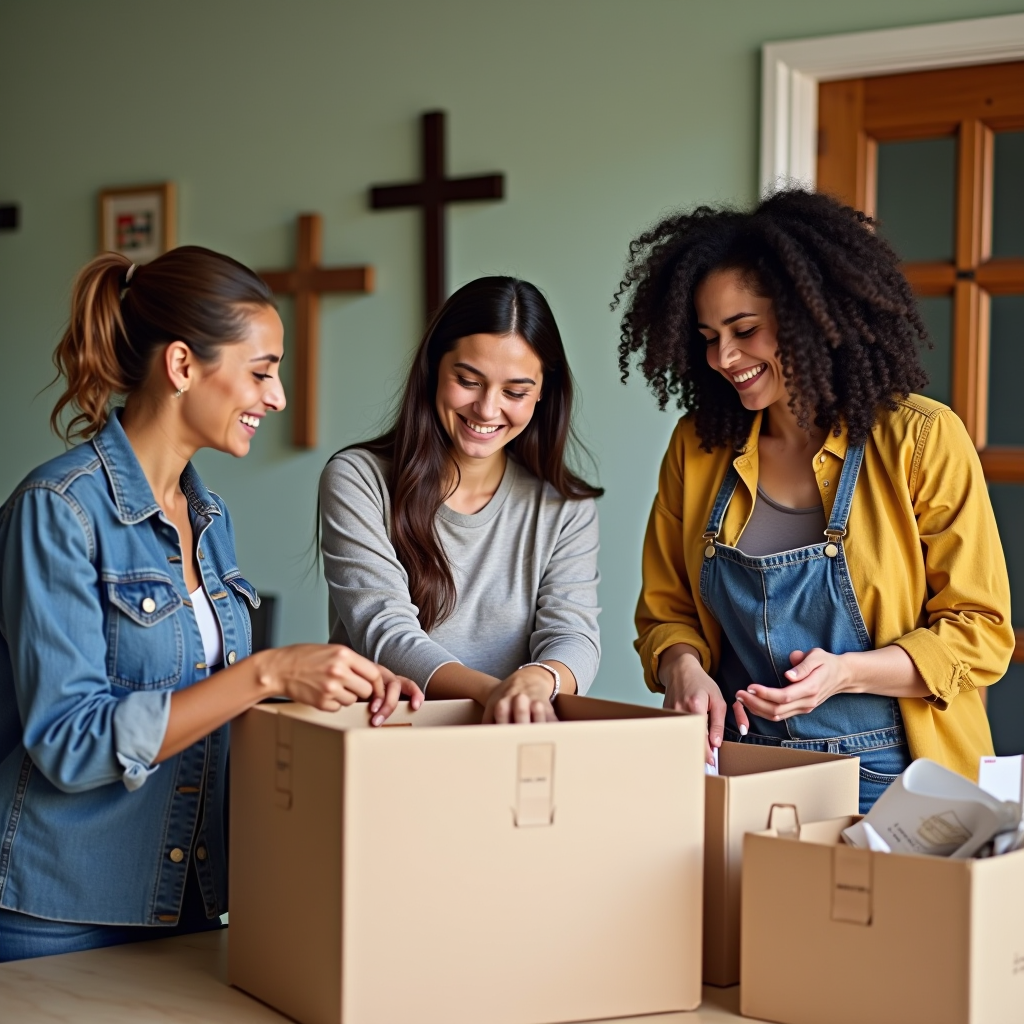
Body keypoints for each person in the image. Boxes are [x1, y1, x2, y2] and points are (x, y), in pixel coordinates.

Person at [0, 247, 421, 962]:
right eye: (261, 372)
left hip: (190, 898)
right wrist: (269, 672)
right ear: (183, 366)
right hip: (61, 912)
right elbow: (70, 741)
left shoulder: (210, 516)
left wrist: (335, 690)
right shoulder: (57, 510)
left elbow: (201, 702)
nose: (277, 396)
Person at [614, 190, 1013, 811]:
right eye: (708, 337)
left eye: (745, 331)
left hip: (897, 777)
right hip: (742, 768)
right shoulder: (697, 446)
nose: (724, 358)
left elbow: (980, 631)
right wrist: (683, 669)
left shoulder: (920, 438)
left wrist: (847, 673)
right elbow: (666, 613)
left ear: (809, 313)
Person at [319, 277, 602, 725]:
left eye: (515, 392)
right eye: (468, 381)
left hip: (508, 746)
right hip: (386, 742)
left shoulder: (564, 507)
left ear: (543, 392)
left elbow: (574, 634)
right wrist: (497, 694)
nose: (487, 410)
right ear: (434, 369)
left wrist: (536, 681)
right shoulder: (358, 479)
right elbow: (384, 629)